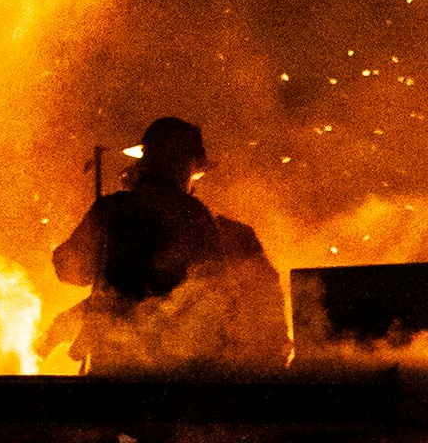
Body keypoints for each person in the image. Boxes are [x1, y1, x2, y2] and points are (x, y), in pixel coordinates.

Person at [49, 116, 288, 374]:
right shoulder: (192, 215)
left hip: (112, 367)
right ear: (183, 165)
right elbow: (215, 292)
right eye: (193, 170)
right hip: (172, 371)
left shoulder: (110, 209)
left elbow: (71, 270)